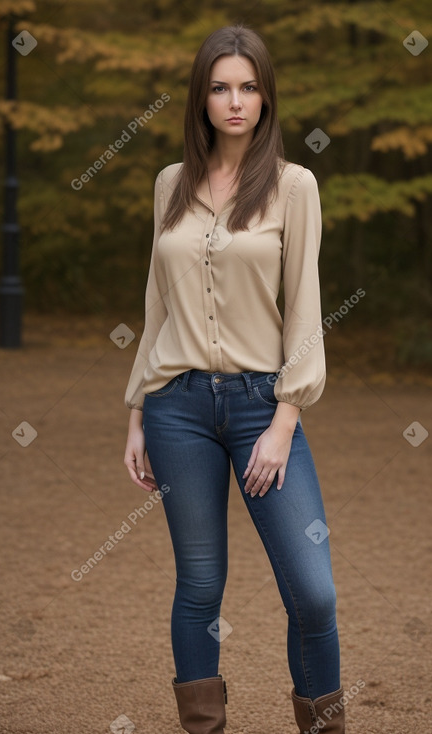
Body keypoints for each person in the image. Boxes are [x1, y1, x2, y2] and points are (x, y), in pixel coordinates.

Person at [124, 23, 345, 734]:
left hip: (261, 406)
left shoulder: (293, 185)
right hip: (175, 408)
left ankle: (323, 725)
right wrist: (136, 411)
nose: (235, 101)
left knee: (313, 594)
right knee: (198, 587)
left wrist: (284, 420)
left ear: (266, 96)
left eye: (248, 87)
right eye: (220, 87)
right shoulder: (170, 184)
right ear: (200, 98)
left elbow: (305, 307)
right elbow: (156, 306)